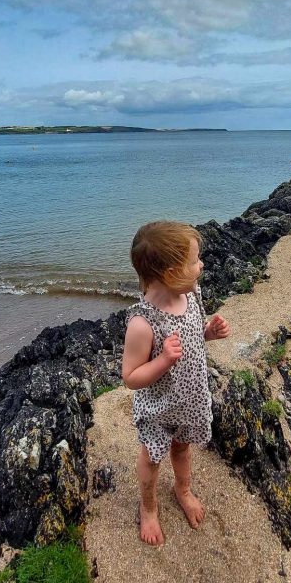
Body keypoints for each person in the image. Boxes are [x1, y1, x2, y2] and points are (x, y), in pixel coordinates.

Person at [122, 221, 230, 546]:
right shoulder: (143, 323)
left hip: (190, 400)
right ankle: (148, 507)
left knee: (182, 449)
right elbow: (130, 377)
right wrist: (162, 360)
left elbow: (193, 336)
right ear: (170, 273)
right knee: (152, 458)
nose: (202, 265)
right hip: (158, 408)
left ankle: (182, 489)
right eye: (196, 261)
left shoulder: (190, 296)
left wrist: (208, 333)